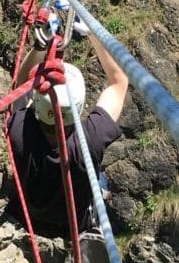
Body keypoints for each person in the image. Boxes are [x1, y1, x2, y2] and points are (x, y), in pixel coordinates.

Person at [7, 22, 130, 241]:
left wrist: (39, 46)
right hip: (71, 227)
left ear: (35, 103)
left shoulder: (19, 129)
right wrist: (93, 33)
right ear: (79, 107)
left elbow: (19, 88)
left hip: (27, 217)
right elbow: (119, 82)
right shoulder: (90, 139)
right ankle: (97, 210)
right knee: (100, 178)